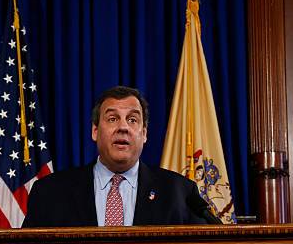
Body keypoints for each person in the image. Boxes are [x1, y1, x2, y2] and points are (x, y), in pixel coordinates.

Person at [23, 86, 218, 227]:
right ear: (95, 131)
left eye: (132, 120)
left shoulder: (180, 193)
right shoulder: (50, 192)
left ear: (144, 133)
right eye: (112, 119)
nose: (123, 127)